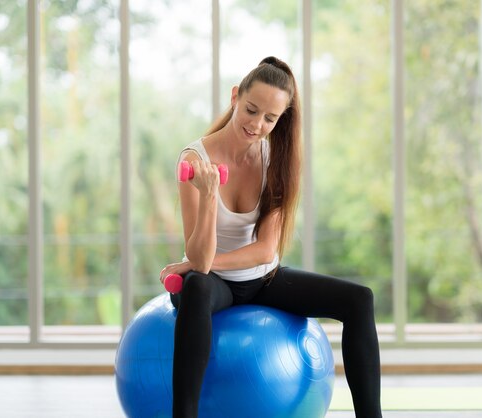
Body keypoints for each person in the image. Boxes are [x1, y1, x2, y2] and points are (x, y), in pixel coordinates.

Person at [159, 56, 382, 418]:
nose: (257, 124)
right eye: (251, 110)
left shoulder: (275, 158)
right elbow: (199, 261)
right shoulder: (194, 160)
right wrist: (210, 195)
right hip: (216, 286)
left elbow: (265, 251)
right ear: (235, 97)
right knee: (197, 285)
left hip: (264, 279)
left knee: (360, 299)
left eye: (270, 118)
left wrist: (199, 264)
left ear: (281, 119)